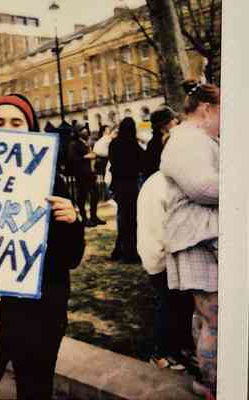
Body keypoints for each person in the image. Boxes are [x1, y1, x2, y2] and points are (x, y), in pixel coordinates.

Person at [0, 94, 85, 400]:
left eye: (16, 122)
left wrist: (71, 223)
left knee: (35, 392)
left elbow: (70, 258)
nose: (7, 128)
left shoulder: (53, 183)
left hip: (38, 321)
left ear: (30, 128)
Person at [160, 80, 220, 399]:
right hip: (197, 242)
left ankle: (207, 379)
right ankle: (213, 385)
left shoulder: (192, 139)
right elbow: (204, 187)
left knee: (208, 318)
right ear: (207, 109)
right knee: (215, 319)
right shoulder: (188, 141)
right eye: (223, 112)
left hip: (199, 240)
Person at [137, 137, 195, 372]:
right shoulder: (159, 184)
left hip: (168, 256)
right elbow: (157, 227)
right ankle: (159, 353)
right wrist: (161, 259)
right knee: (168, 305)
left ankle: (178, 348)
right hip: (161, 257)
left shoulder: (170, 181)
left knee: (179, 305)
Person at [108, 117, 144, 263]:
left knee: (123, 218)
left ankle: (119, 250)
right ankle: (129, 252)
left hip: (118, 183)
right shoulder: (134, 145)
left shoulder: (114, 144)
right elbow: (142, 161)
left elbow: (112, 161)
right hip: (131, 184)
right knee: (131, 220)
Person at [68, 124, 106, 227]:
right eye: (82, 131)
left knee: (95, 195)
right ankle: (84, 219)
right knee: (82, 197)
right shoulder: (74, 144)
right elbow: (72, 159)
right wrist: (86, 157)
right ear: (78, 133)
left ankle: (94, 217)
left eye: (85, 130)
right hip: (81, 174)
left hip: (90, 173)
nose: (85, 132)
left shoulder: (86, 143)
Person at [142, 106, 179, 181]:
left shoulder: (154, 143)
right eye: (172, 119)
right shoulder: (161, 144)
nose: (176, 121)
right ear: (164, 125)